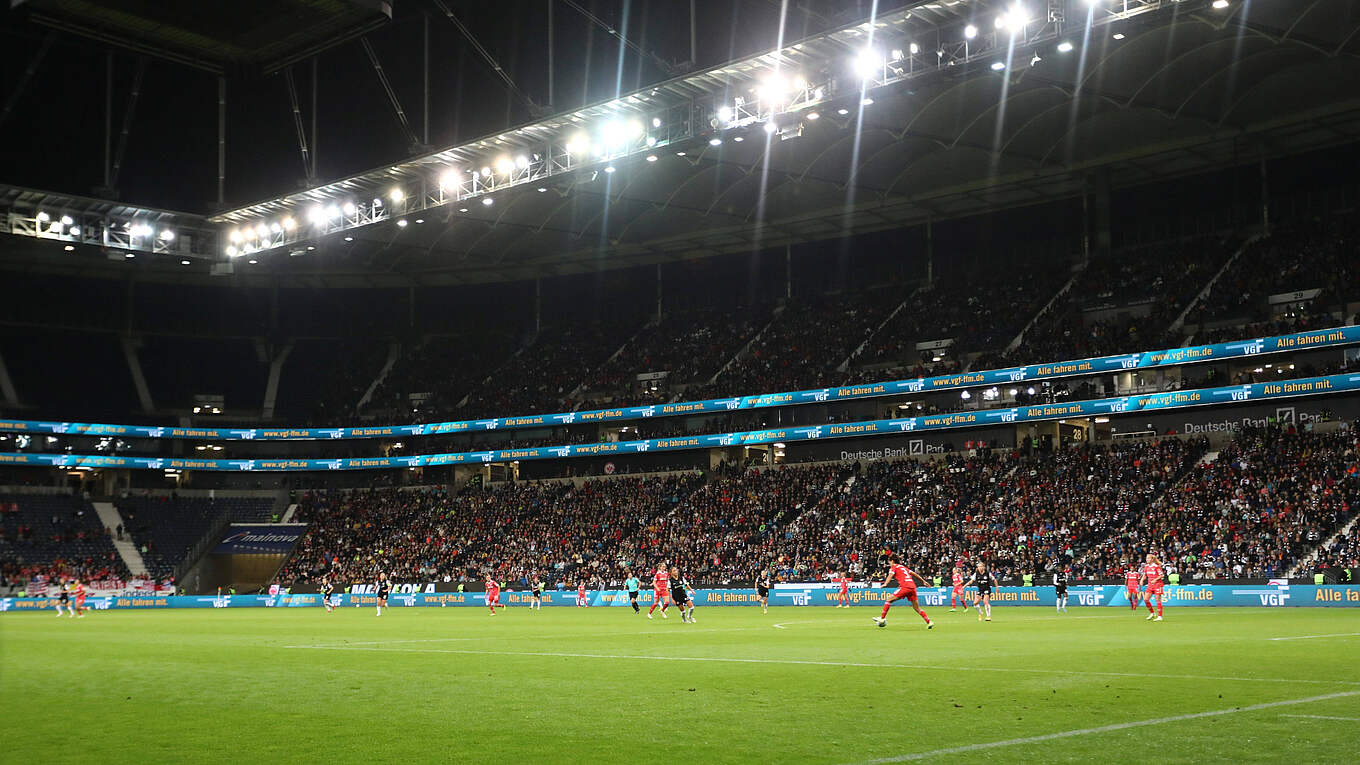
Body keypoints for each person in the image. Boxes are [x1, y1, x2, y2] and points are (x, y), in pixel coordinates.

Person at [872, 553, 932, 629]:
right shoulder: (902, 567)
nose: (889, 564)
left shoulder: (894, 567)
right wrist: (923, 581)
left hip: (905, 586)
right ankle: (929, 622)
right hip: (912, 587)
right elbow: (914, 573)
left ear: (892, 561)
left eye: (889, 562)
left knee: (888, 600)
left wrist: (885, 583)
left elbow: (890, 575)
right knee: (917, 608)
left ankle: (882, 618)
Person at [1140, 553, 1166, 622]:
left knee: (1158, 600)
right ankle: (1152, 613)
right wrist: (1142, 580)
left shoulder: (1156, 566)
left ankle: (1160, 616)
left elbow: (1162, 575)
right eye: (1146, 558)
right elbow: (1144, 575)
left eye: (1148, 558)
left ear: (1152, 559)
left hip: (1157, 585)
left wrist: (1155, 579)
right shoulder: (1146, 567)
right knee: (1145, 599)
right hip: (1150, 585)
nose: (1147, 559)